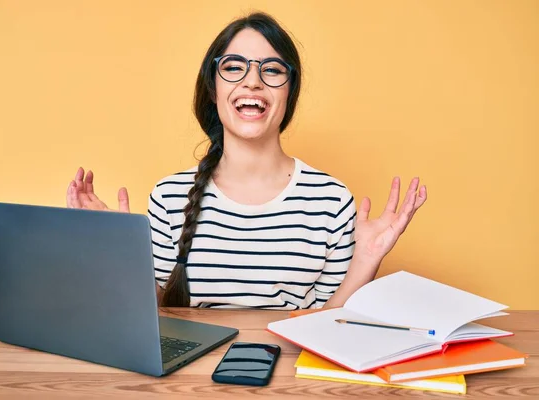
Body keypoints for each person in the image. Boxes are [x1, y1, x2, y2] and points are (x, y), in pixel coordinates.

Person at [66, 12, 427, 310]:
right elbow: (156, 314)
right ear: (214, 89)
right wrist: (116, 250)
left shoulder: (330, 199)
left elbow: (331, 327)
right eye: (234, 67)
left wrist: (367, 259)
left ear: (289, 92)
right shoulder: (169, 195)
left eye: (271, 70)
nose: (253, 81)